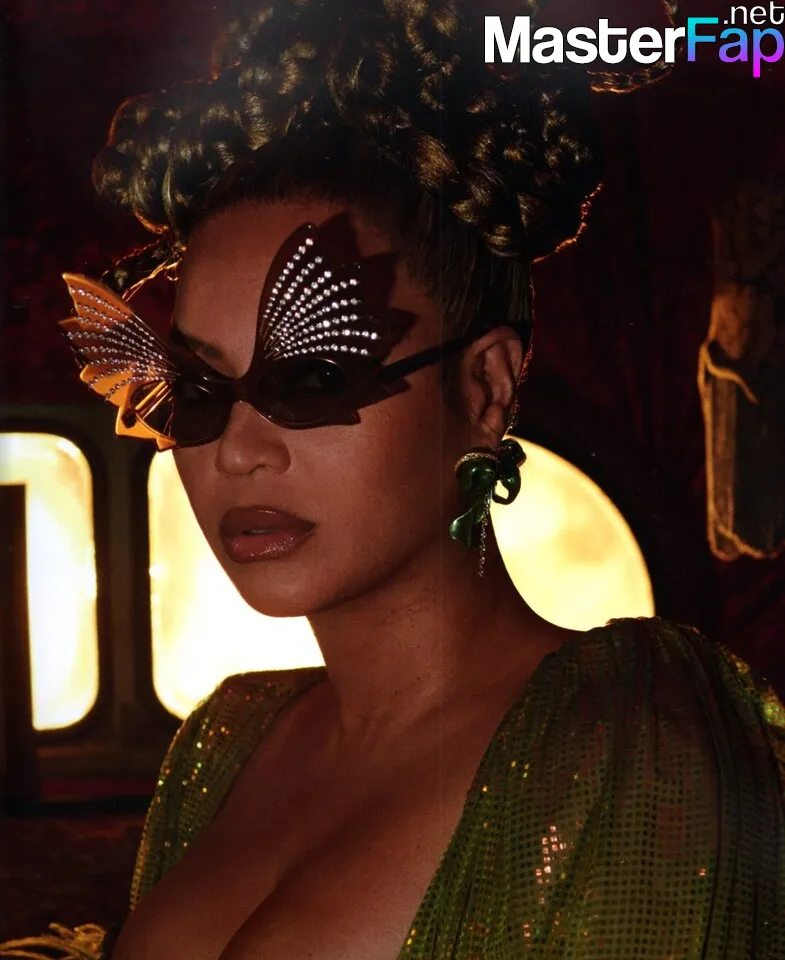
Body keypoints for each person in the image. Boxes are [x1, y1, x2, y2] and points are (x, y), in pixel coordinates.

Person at [2, 0, 784, 957]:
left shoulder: (633, 744)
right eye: (197, 390)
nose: (237, 451)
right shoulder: (225, 743)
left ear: (485, 387)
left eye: (313, 378)